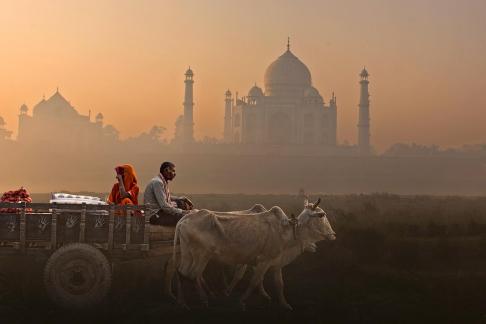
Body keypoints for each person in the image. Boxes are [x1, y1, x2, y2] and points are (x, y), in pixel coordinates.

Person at [144, 161, 194, 226]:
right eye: (173, 171)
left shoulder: (162, 181)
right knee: (185, 219)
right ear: (166, 170)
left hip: (160, 212)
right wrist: (183, 212)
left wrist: (181, 198)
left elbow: (164, 197)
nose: (174, 174)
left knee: (181, 203)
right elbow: (164, 206)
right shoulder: (158, 182)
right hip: (155, 216)